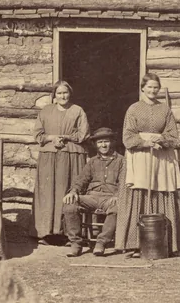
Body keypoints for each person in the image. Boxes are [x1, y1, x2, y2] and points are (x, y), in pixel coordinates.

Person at [114, 72, 180, 257]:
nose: (153, 90)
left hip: (161, 156)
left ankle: (166, 243)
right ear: (142, 88)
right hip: (139, 156)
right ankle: (135, 245)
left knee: (161, 192)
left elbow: (173, 136)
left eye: (156, 87)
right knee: (138, 193)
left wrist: (161, 140)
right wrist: (145, 142)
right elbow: (127, 137)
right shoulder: (133, 109)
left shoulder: (165, 110)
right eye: (149, 87)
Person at [33, 80, 89, 243]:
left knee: (67, 190)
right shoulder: (46, 111)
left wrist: (65, 137)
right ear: (54, 95)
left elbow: (83, 134)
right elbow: (37, 134)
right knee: (48, 192)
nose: (63, 96)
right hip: (49, 157)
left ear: (70, 94)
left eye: (65, 93)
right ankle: (46, 232)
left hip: (71, 155)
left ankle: (69, 233)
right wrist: (52, 138)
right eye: (59, 93)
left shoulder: (77, 110)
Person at [62, 127, 124, 257]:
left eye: (106, 141)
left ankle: (101, 243)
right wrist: (73, 191)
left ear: (112, 142)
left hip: (110, 198)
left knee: (118, 208)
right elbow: (81, 180)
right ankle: (76, 243)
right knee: (69, 203)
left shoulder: (122, 161)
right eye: (100, 142)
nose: (103, 145)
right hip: (92, 197)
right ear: (95, 144)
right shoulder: (92, 162)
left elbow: (124, 182)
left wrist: (118, 195)